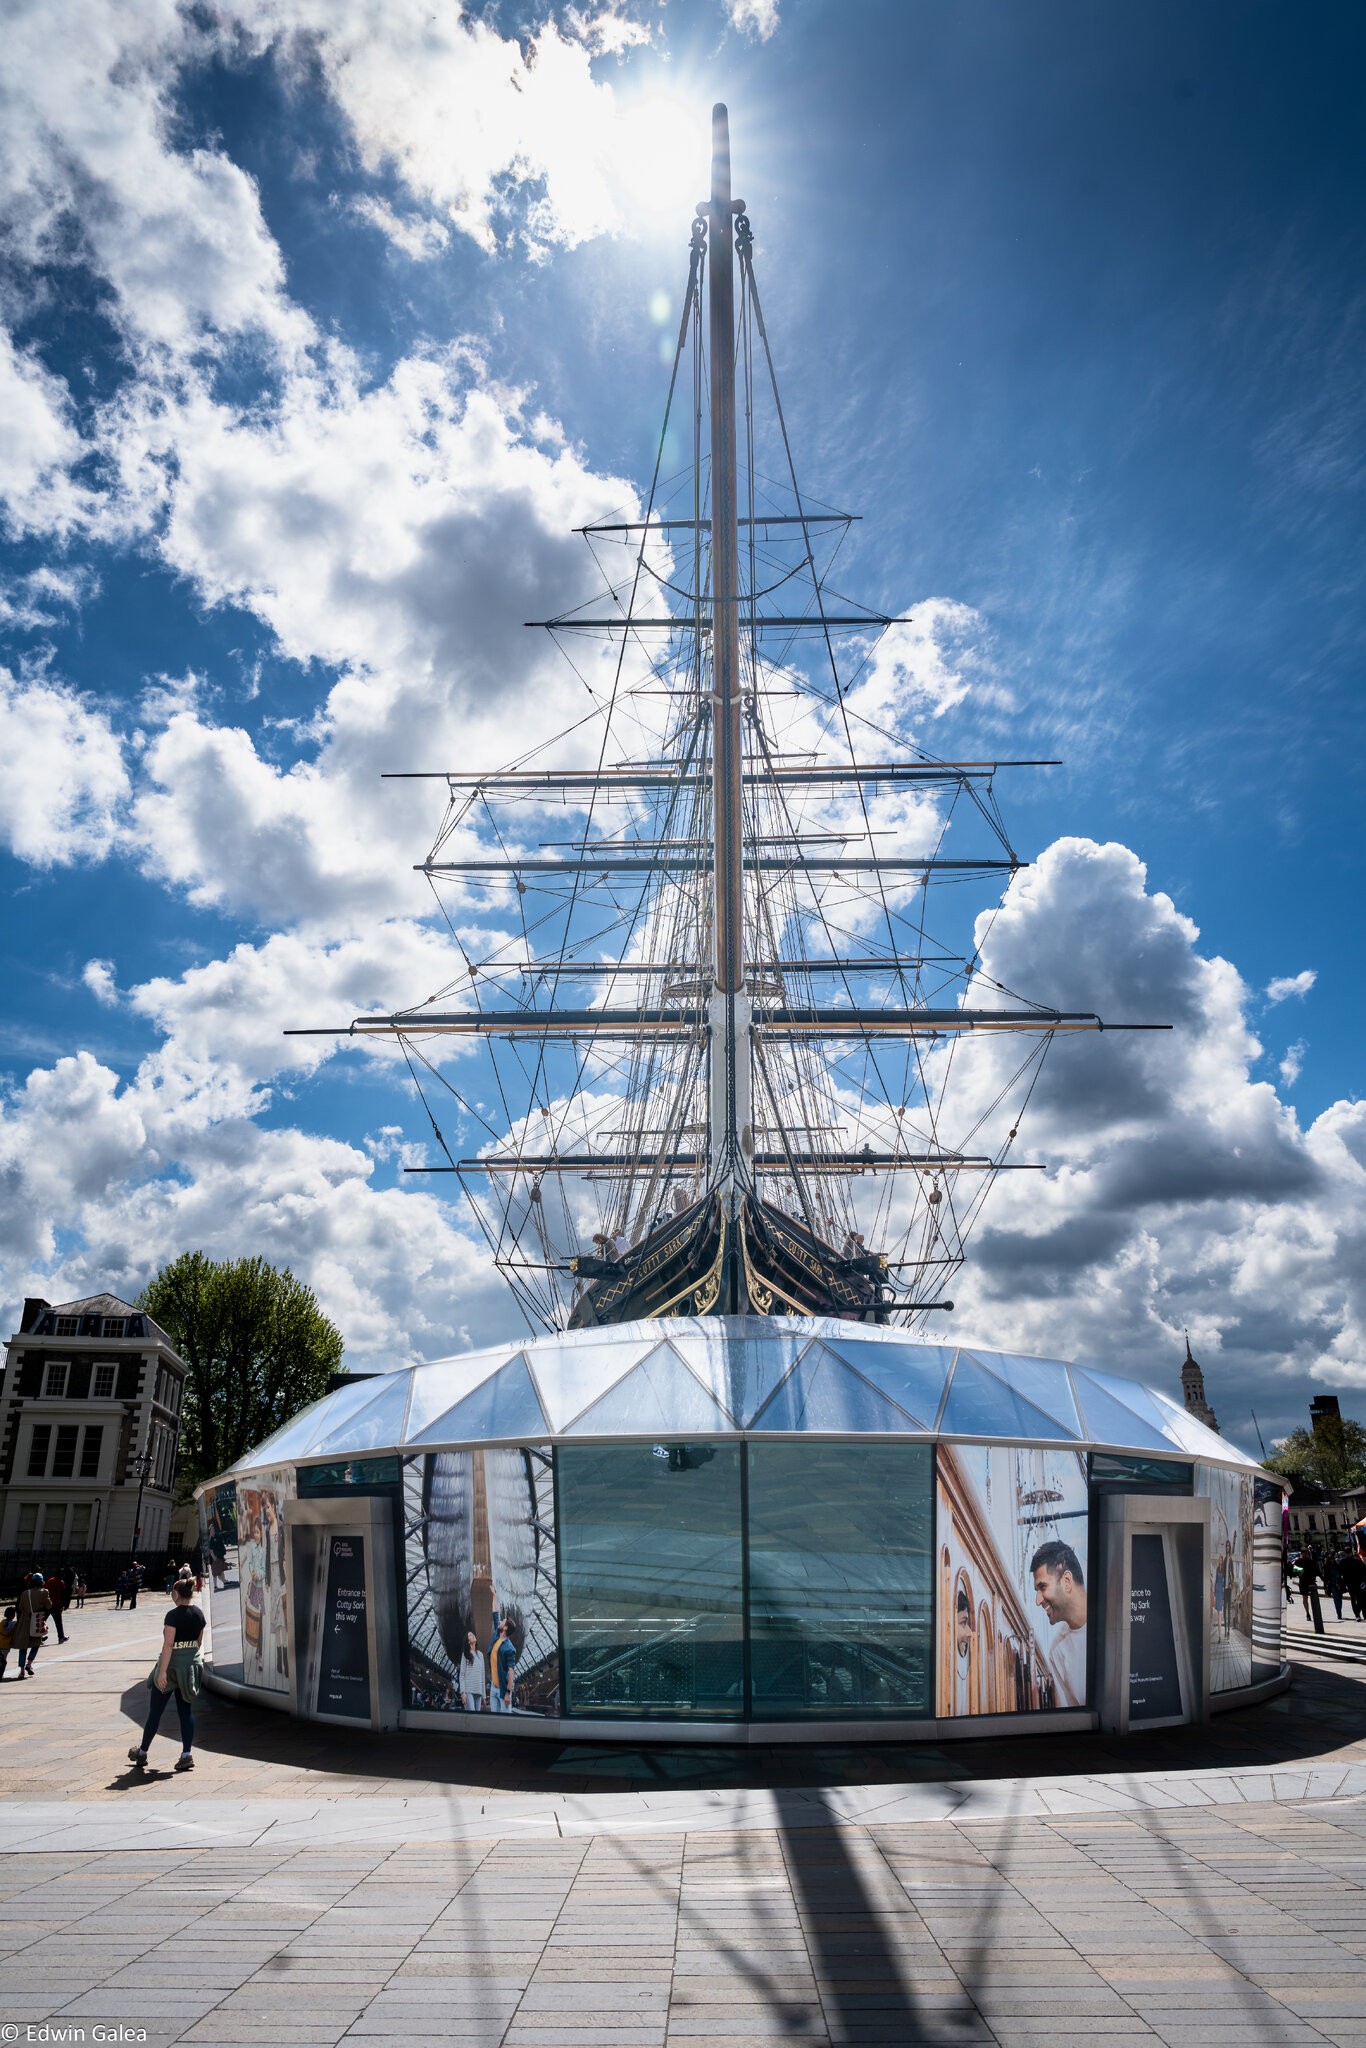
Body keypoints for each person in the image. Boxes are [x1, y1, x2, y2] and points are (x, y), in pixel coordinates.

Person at [127, 1578, 205, 1773]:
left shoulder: (172, 1615)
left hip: (170, 1669)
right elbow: (198, 1643)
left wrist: (162, 1672)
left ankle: (143, 1752)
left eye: (172, 1592)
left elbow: (168, 1644)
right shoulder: (199, 1614)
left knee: (155, 1712)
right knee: (185, 1711)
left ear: (177, 1594)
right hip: (188, 1670)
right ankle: (186, 1755)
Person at [1030, 1540, 1088, 1708]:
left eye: (1043, 1587)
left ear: (1067, 1581)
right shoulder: (1057, 1652)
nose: (1038, 1600)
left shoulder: (1114, 1616)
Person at [14, 1572, 52, 1677]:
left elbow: (20, 1607)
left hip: (24, 1622)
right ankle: (29, 1663)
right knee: (36, 1644)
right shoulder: (44, 1592)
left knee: (23, 1646)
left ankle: (21, 1671)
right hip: (37, 1622)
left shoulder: (25, 1593)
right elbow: (49, 1606)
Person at [489, 1618, 517, 1712]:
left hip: (504, 1690)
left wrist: (508, 1693)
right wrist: (493, 1602)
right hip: (493, 1687)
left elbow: (511, 1672)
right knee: (494, 1720)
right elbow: (495, 1614)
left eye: (503, 1621)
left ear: (505, 1628)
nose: (500, 1621)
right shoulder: (497, 1634)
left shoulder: (509, 1648)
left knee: (505, 1722)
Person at [459, 1629, 486, 1712]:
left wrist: (484, 1696)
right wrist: (463, 1693)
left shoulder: (480, 1655)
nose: (473, 1635)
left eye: (472, 1634)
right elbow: (462, 1675)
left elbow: (482, 1676)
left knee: (476, 1718)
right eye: (470, 1635)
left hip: (478, 1691)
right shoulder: (465, 1655)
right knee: (471, 1715)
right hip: (468, 1690)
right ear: (468, 1641)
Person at [45, 1570, 68, 1645]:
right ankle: (61, 1637)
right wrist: (63, 1605)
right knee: (58, 1622)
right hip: (56, 1605)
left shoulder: (49, 1581)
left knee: (42, 1621)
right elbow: (63, 1595)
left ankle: (37, 1637)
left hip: (47, 1604)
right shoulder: (61, 1582)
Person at [0, 1602, 16, 1680]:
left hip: (0, 1643)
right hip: (6, 1646)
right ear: (13, 1615)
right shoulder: (13, 1624)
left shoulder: (2, 1622)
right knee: (3, 1661)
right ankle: (1, 1675)